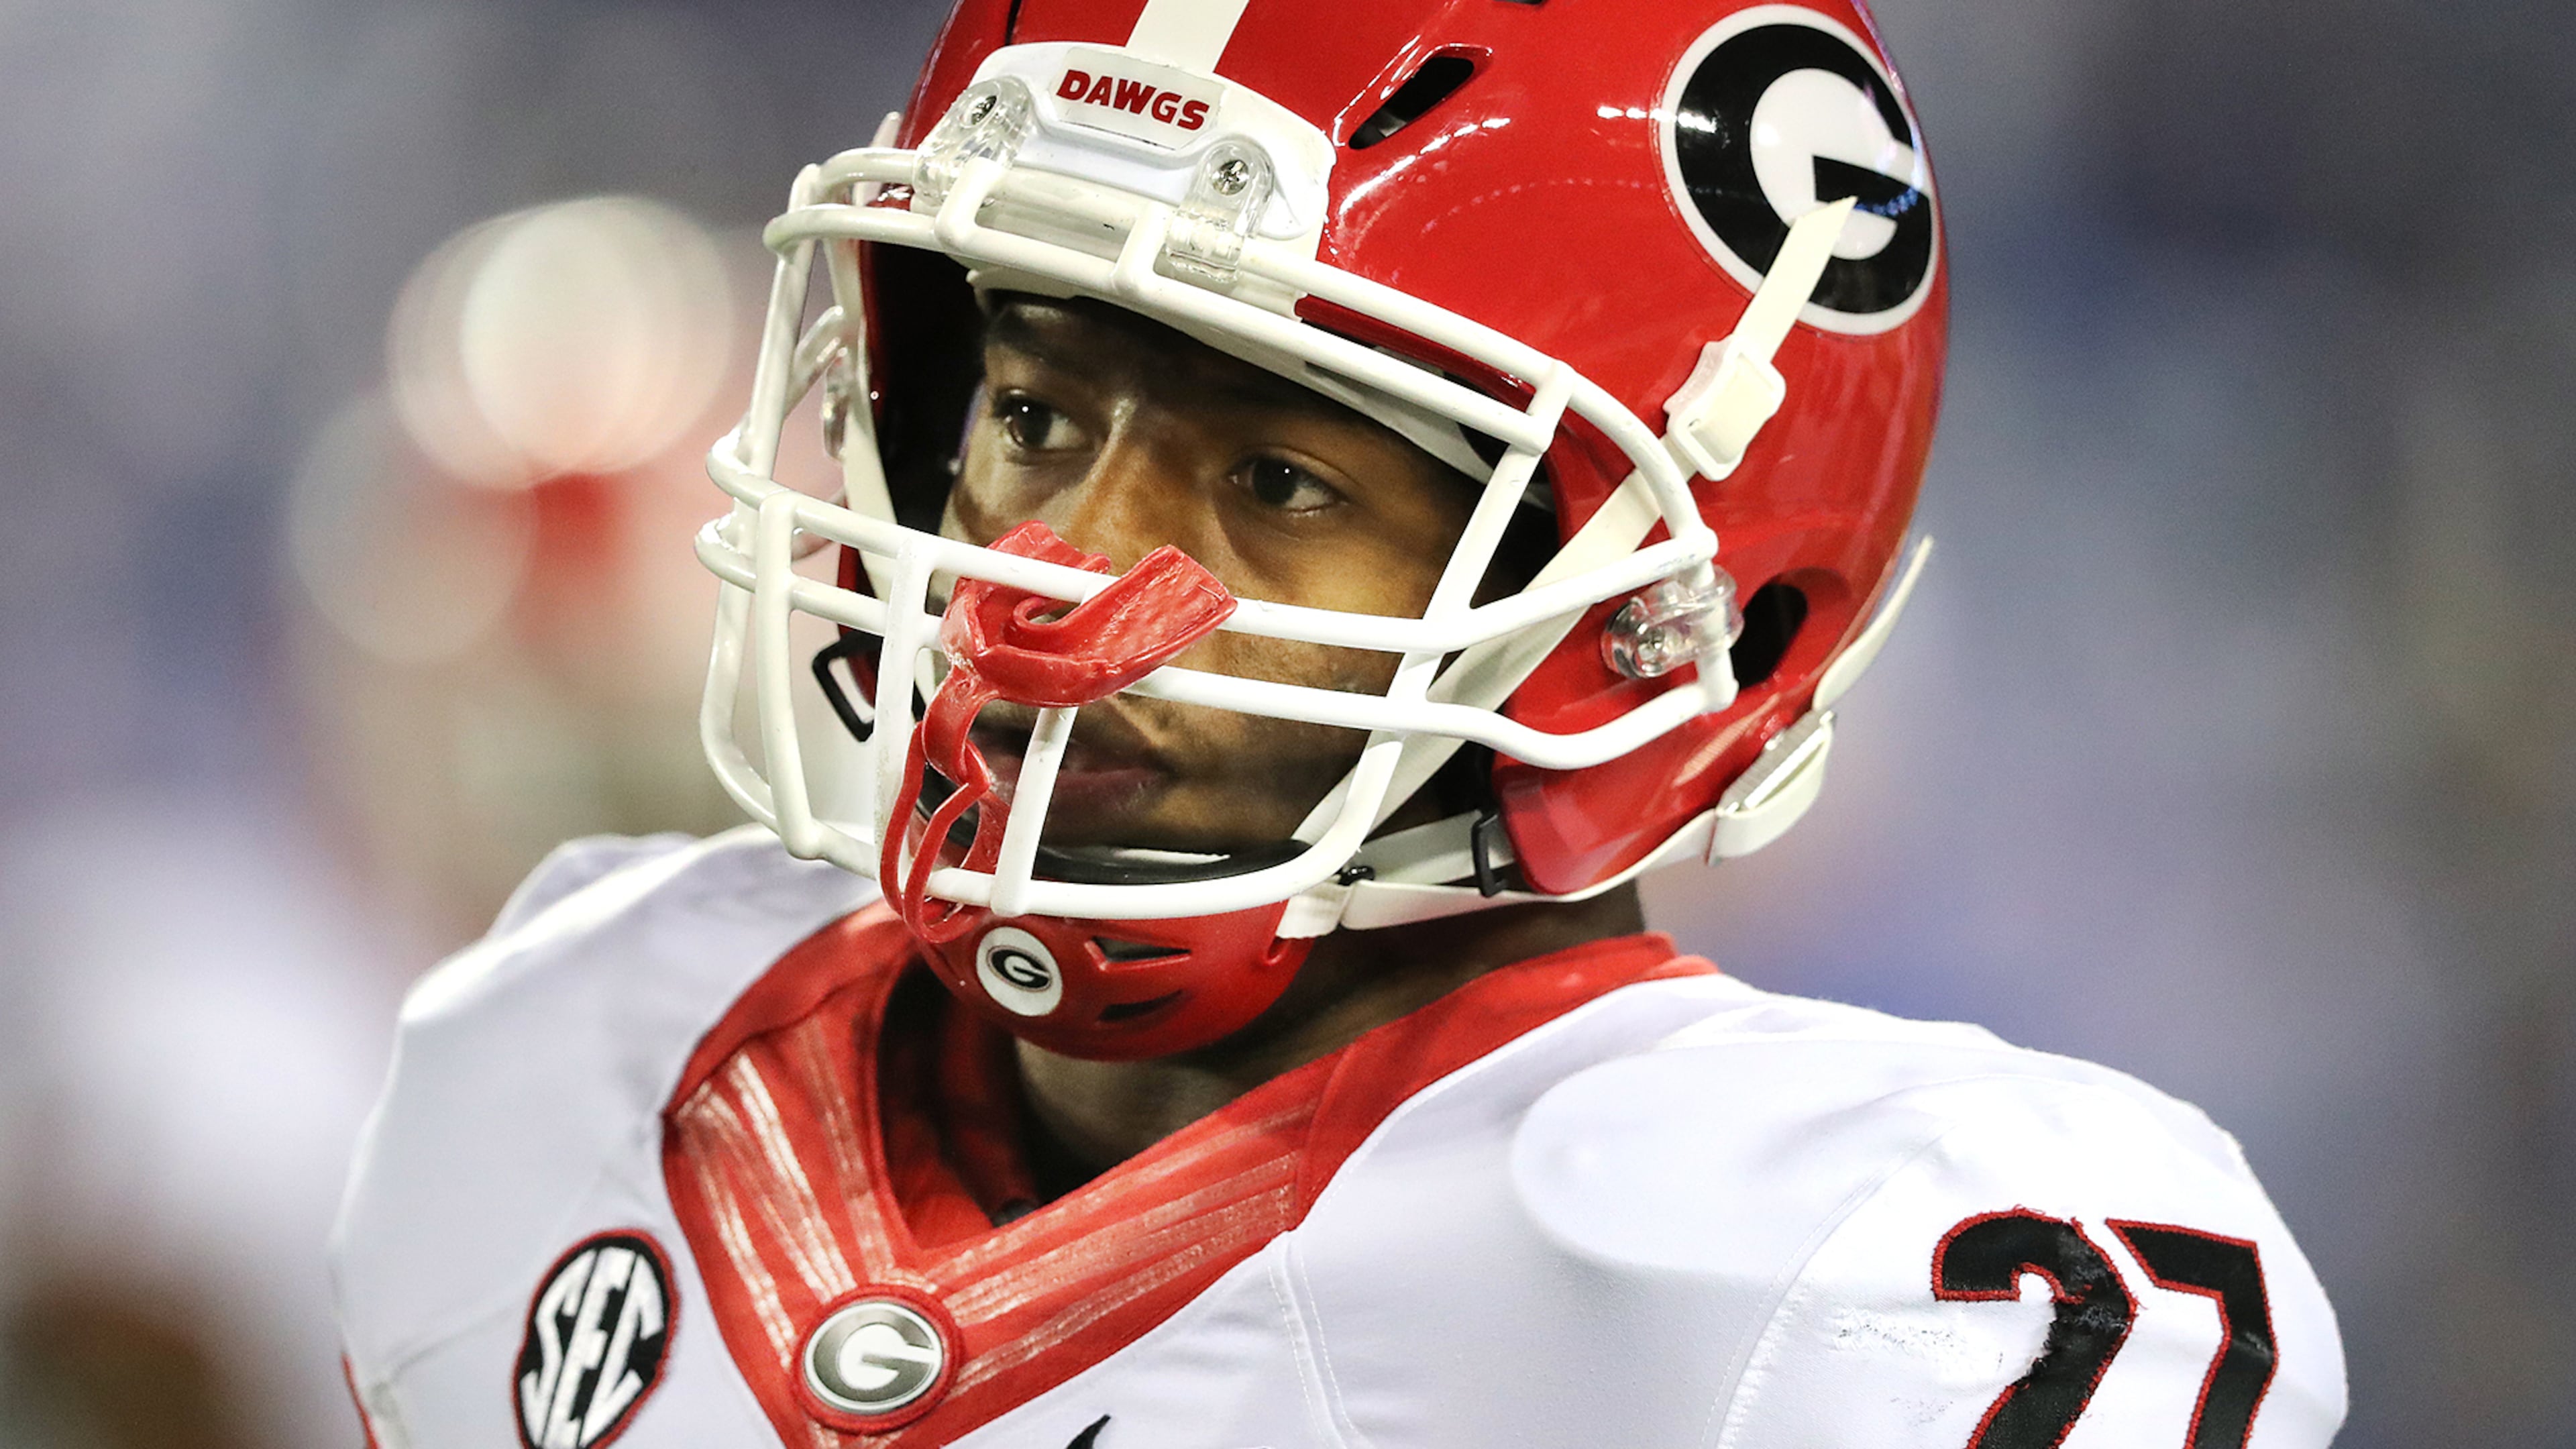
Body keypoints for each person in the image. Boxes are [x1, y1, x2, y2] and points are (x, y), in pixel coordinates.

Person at [333, 0, 2350, 1445]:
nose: (1061, 569)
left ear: (1649, 611)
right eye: (1033, 414)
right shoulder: (575, 1052)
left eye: (1277, 481)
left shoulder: (1850, 1278)